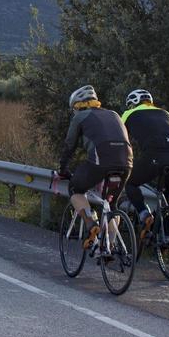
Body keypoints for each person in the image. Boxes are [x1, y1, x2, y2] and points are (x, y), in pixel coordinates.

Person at [57, 85, 133, 254]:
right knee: (111, 204)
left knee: (76, 189)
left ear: (77, 105)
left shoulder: (80, 117)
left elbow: (69, 146)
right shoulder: (114, 114)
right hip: (126, 162)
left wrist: (62, 169)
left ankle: (91, 224)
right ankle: (109, 247)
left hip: (101, 161)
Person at [121, 88, 169, 243]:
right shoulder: (165, 113)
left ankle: (143, 213)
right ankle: (168, 237)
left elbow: (120, 139)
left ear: (132, 104)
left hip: (156, 154)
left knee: (130, 182)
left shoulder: (128, 114)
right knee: (166, 196)